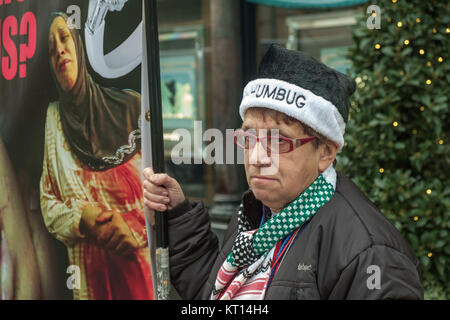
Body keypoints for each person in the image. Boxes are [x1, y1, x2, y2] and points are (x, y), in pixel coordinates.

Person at [143, 44, 424, 300]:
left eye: (279, 141)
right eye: (249, 138)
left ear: (326, 152)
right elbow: (214, 290)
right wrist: (177, 213)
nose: (257, 158)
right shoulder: (258, 212)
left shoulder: (371, 254)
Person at [40, 13, 153, 300]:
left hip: (139, 275)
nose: (60, 51)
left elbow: (163, 194)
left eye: (64, 39)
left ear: (79, 46)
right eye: (52, 49)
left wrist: (131, 228)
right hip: (90, 285)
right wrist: (82, 219)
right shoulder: (54, 119)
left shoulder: (130, 107)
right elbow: (48, 204)